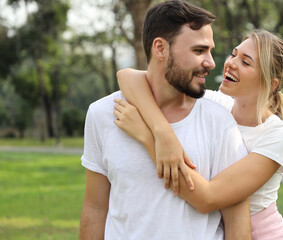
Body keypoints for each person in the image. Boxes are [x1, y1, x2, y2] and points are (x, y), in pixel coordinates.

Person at [80, 1, 251, 239]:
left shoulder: (219, 121)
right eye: (199, 51)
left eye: (210, 51)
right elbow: (95, 208)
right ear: (160, 48)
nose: (211, 63)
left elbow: (237, 219)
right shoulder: (102, 114)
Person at [114, 29, 283, 239]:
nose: (231, 63)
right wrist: (162, 131)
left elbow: (207, 197)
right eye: (234, 54)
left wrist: (147, 137)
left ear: (271, 84)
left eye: (246, 62)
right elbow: (127, 76)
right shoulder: (214, 104)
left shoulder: (278, 135)